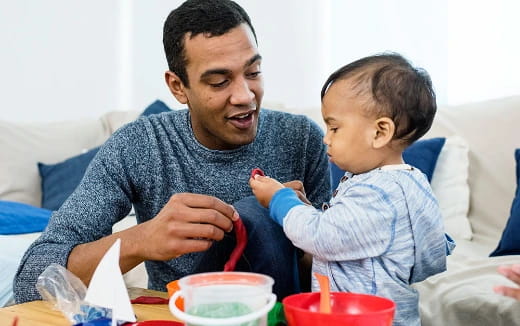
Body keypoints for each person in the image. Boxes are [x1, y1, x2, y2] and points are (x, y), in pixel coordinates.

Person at [14, 0, 331, 303]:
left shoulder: (301, 139)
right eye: (220, 81)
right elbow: (32, 279)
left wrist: (301, 231)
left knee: (258, 213)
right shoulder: (139, 146)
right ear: (178, 87)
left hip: (279, 309)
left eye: (253, 72)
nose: (245, 96)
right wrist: (141, 240)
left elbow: (333, 282)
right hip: (183, 312)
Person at [250, 53, 455, 326]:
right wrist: (308, 210)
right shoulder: (405, 182)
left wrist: (280, 199)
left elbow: (321, 237)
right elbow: (348, 233)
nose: (326, 137)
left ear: (380, 132)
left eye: (334, 127)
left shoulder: (378, 193)